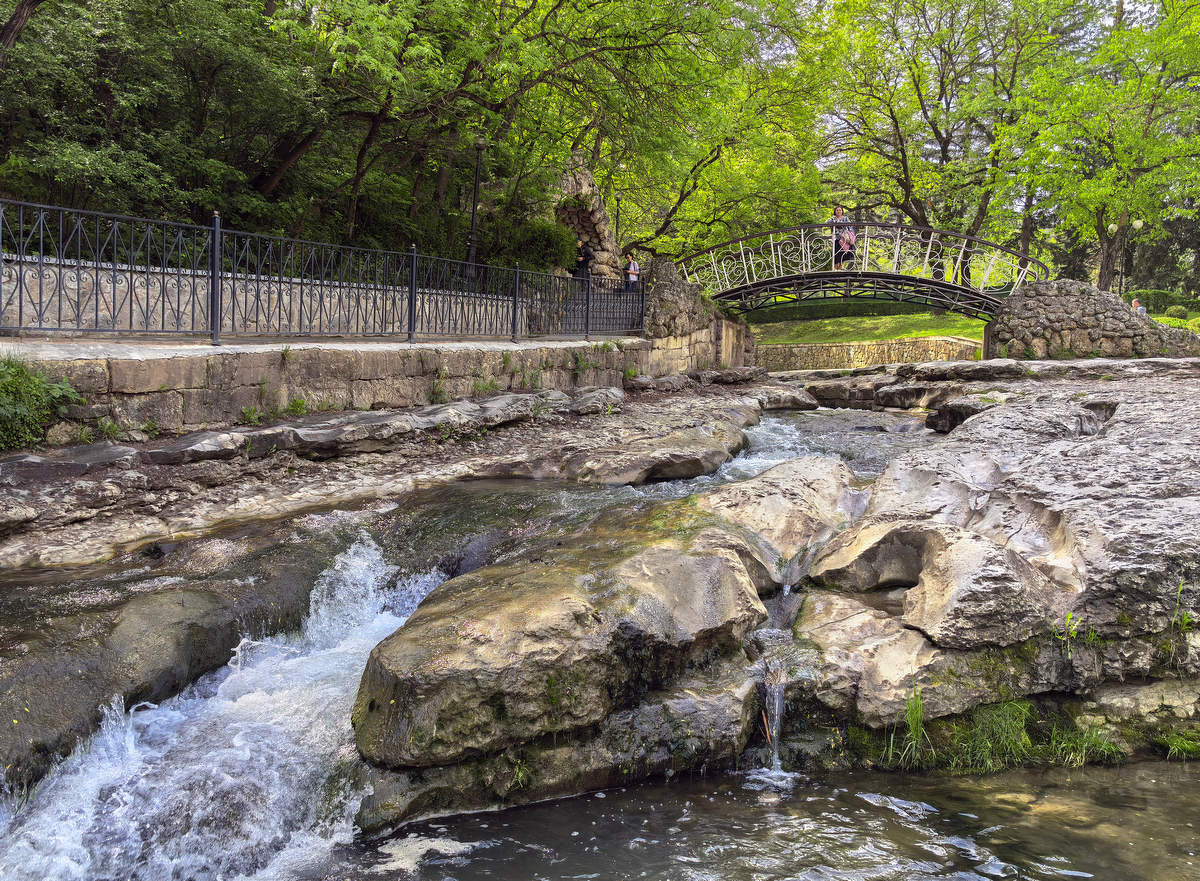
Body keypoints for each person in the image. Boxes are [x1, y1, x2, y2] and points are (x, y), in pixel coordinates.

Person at [828, 205, 855, 271]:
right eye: (837, 210)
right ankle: (835, 269)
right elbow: (826, 222)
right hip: (836, 238)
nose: (838, 211)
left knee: (842, 253)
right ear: (835, 211)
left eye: (840, 210)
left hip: (844, 238)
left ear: (842, 211)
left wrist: (851, 236)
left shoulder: (845, 218)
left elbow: (850, 227)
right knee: (836, 253)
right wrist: (835, 223)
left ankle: (840, 268)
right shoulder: (833, 218)